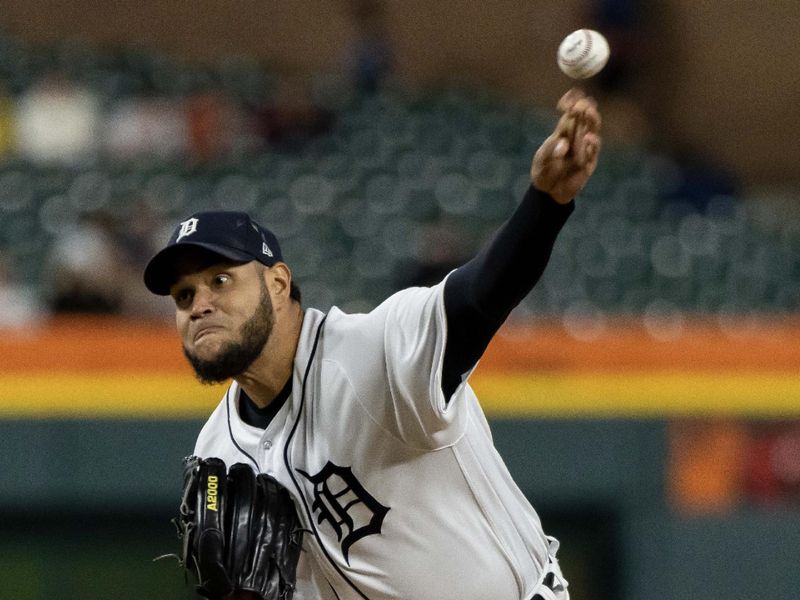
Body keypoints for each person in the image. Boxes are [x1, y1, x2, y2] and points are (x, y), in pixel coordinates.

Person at [143, 88, 601, 600]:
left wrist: (546, 204)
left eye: (220, 281)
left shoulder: (373, 351)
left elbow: (479, 297)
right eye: (184, 295)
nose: (199, 303)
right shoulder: (218, 452)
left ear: (277, 283)